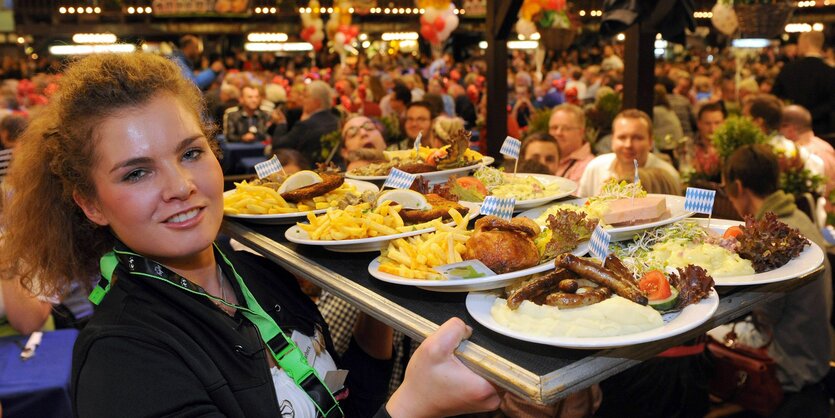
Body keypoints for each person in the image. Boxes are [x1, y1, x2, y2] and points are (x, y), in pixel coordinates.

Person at [0, 53, 499, 417]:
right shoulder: (122, 361)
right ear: (90, 203)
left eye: (191, 153)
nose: (181, 186)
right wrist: (415, 407)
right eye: (137, 173)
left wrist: (377, 317)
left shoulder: (261, 275)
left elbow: (343, 401)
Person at [721, 144, 832, 417]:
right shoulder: (797, 216)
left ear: (738, 186)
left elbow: (766, 315)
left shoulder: (769, 240)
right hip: (817, 348)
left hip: (789, 362)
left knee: (706, 339)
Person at [578, 109, 681, 197]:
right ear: (612, 140)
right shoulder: (595, 167)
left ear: (650, 142)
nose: (628, 145)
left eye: (637, 138)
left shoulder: (667, 175)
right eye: (622, 137)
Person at [772, 31, 835, 139]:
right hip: (823, 131)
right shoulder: (830, 72)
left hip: (791, 131)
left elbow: (776, 98)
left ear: (805, 44)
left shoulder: (788, 69)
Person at [271, 80, 340, 164]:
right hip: (332, 168)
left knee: (264, 169)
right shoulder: (336, 120)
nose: (302, 100)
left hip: (307, 171)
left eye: (306, 97)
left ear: (317, 102)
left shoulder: (306, 125)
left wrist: (281, 123)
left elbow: (278, 146)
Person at [548, 104, 594, 182]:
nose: (558, 133)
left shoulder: (589, 167)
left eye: (566, 128)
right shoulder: (544, 158)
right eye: (554, 128)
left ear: (581, 132)